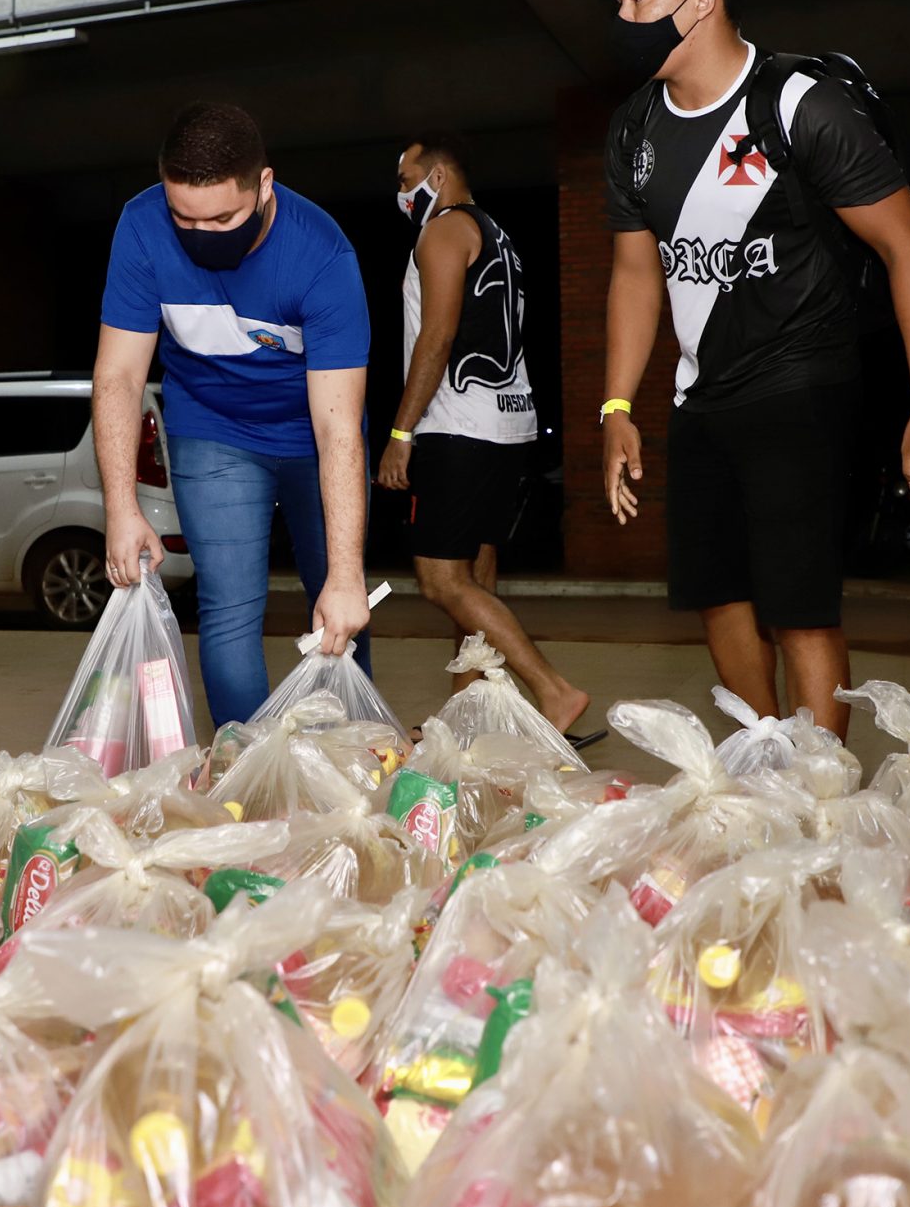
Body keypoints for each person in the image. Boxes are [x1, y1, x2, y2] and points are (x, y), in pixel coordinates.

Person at [597, 0, 910, 738]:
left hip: (801, 385)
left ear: (698, 3)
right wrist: (616, 405)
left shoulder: (801, 102)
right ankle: (766, 769)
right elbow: (633, 272)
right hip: (701, 399)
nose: (619, 18)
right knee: (718, 596)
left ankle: (824, 798)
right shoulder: (634, 128)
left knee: (800, 608)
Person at [94, 101, 373, 726]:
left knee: (338, 600)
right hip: (212, 430)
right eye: (184, 217)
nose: (202, 234)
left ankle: (354, 756)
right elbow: (118, 375)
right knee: (227, 610)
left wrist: (348, 574)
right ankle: (244, 775)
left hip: (312, 436)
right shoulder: (141, 228)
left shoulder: (322, 255)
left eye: (223, 216)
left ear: (264, 185)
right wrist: (122, 507)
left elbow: (337, 429)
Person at [375, 134, 593, 738]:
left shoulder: (443, 230)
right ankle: (466, 717)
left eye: (405, 177)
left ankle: (554, 691)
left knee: (440, 580)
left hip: (458, 427)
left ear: (438, 176)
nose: (399, 190)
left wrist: (401, 430)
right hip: (507, 423)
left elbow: (437, 336)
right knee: (474, 578)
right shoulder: (498, 234)